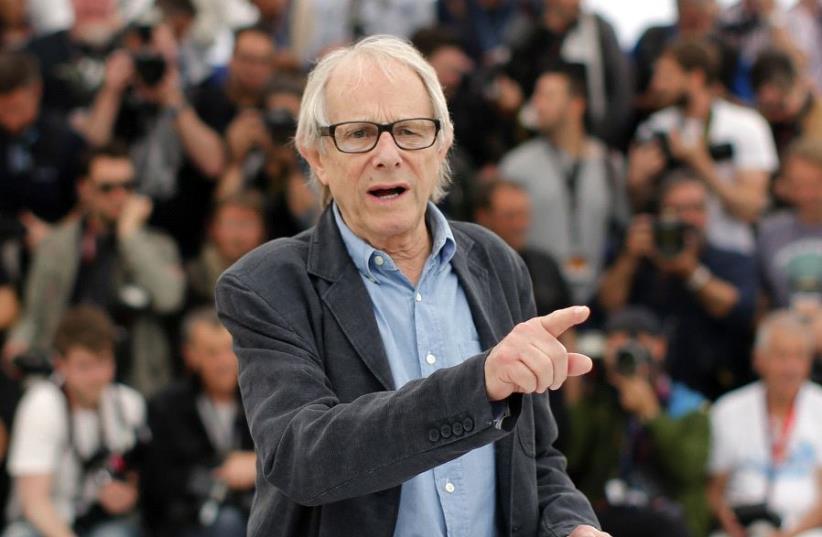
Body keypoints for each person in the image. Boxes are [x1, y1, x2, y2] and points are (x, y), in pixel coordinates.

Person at [215, 34, 608, 537]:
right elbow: (304, 457)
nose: (388, 154)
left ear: (442, 143)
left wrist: (571, 526)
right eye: (358, 133)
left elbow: (537, 459)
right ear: (316, 157)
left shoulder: (495, 261)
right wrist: (479, 385)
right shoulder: (266, 285)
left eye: (410, 130)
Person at [3, 144, 185, 396]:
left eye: (127, 186)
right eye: (107, 188)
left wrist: (130, 235)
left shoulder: (156, 244)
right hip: (64, 375)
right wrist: (18, 343)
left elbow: (169, 298)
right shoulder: (56, 244)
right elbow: (35, 313)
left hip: (134, 379)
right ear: (84, 189)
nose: (119, 196)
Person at [597, 173, 757, 399]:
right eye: (677, 210)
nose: (688, 219)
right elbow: (607, 304)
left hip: (714, 386)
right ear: (659, 214)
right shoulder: (637, 258)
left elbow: (738, 309)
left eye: (696, 209)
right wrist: (629, 258)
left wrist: (690, 270)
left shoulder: (731, 260)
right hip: (638, 383)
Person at [2, 306, 147, 537]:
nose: (97, 376)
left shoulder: (128, 404)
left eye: (103, 362)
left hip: (101, 519)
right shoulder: (42, 404)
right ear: (61, 365)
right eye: (84, 366)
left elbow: (136, 474)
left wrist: (128, 493)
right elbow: (34, 503)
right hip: (45, 523)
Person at [566, 307, 710, 537]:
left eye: (639, 342)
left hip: (669, 516)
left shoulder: (689, 407)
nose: (629, 352)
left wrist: (651, 413)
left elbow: (688, 470)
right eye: (618, 343)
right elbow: (570, 456)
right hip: (607, 512)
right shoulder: (600, 402)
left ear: (660, 347)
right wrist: (589, 390)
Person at [500, 61, 628, 304]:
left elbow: (621, 228)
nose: (537, 104)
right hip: (536, 299)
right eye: (535, 95)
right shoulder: (515, 166)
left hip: (595, 300)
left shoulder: (610, 164)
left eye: (547, 96)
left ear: (576, 105)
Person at [635, 38, 777, 256]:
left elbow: (751, 208)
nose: (656, 85)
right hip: (668, 253)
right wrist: (636, 181)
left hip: (730, 253)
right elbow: (639, 204)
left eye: (667, 76)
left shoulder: (746, 125)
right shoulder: (654, 128)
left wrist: (700, 163)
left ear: (696, 77)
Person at [707, 310, 822, 537]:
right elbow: (714, 490)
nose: (791, 368)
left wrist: (789, 534)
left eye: (799, 357)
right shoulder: (728, 409)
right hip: (743, 529)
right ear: (759, 359)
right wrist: (732, 525)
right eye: (781, 356)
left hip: (806, 530)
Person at [142, 308, 255, 537]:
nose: (224, 362)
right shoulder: (167, 406)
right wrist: (222, 476)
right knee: (227, 522)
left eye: (229, 349)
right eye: (213, 353)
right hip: (190, 519)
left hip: (254, 509)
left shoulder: (260, 398)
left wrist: (259, 466)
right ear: (190, 355)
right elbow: (160, 482)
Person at [757, 137, 822, 313]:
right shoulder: (770, 231)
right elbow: (761, 300)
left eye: (816, 183)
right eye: (799, 184)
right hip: (786, 332)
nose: (808, 194)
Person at [186, 191, 267, 308]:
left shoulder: (276, 276)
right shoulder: (193, 275)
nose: (238, 235)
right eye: (230, 224)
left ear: (263, 230)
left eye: (247, 224)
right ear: (212, 229)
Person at [750, 49, 822, 160]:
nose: (777, 114)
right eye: (769, 107)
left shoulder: (817, 118)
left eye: (781, 105)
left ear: (799, 83)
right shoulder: (757, 122)